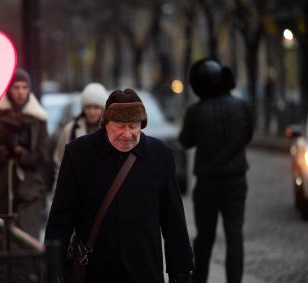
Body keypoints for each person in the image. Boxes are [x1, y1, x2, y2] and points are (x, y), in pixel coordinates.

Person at [45, 88, 194, 283]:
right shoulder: (78, 154)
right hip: (95, 272)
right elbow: (60, 218)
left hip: (144, 270)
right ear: (106, 122)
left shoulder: (160, 155)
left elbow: (173, 219)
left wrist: (180, 271)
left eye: (133, 126)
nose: (127, 134)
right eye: (120, 126)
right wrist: (51, 267)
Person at [178, 59, 254, 283]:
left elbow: (185, 141)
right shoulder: (241, 106)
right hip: (236, 181)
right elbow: (247, 136)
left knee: (204, 238)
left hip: (207, 183)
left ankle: (199, 279)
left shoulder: (195, 111)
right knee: (234, 235)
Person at [0, 68, 48, 238]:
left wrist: (20, 153)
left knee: (27, 243)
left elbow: (41, 155)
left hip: (28, 192)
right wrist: (4, 150)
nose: (20, 92)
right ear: (8, 89)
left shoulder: (38, 119)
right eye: (16, 87)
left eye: (24, 87)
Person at [52, 82, 108, 188]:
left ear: (103, 109)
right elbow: (60, 164)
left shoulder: (110, 131)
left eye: (96, 107)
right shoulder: (70, 130)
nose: (92, 112)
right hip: (76, 190)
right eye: (88, 107)